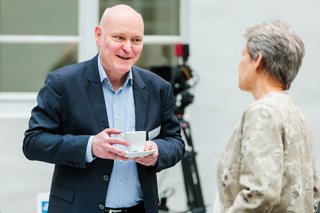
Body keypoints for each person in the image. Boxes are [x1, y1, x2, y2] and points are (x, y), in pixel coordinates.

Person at [23, 4, 185, 213]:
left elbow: (175, 142)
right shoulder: (62, 83)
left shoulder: (159, 88)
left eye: (136, 40)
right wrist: (90, 146)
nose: (128, 48)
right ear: (99, 35)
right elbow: (33, 142)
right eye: (119, 37)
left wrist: (157, 152)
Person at [216, 20, 320, 212]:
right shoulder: (295, 112)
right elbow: (313, 191)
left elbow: (260, 193)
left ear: (258, 61)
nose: (239, 64)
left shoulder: (263, 112)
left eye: (243, 55)